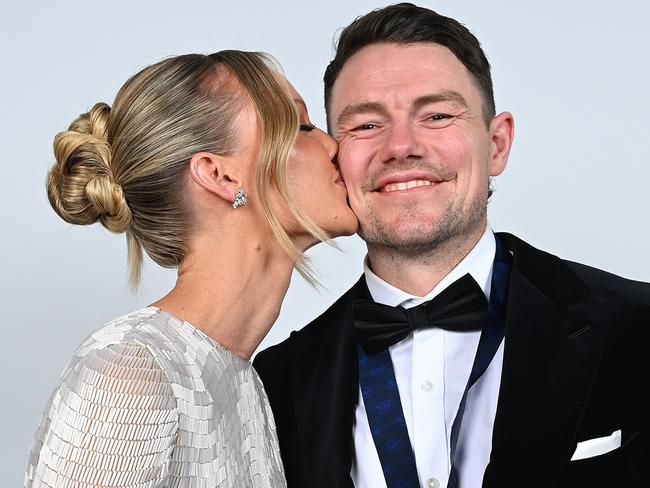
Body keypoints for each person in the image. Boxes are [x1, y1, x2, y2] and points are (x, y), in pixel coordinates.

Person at [253, 4, 650, 488]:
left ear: (497, 144)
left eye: (437, 115)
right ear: (337, 160)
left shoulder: (638, 326)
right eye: (365, 125)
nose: (402, 146)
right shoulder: (278, 381)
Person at [24, 50, 358, 487]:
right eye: (301, 127)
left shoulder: (247, 386)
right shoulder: (131, 375)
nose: (334, 146)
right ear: (220, 176)